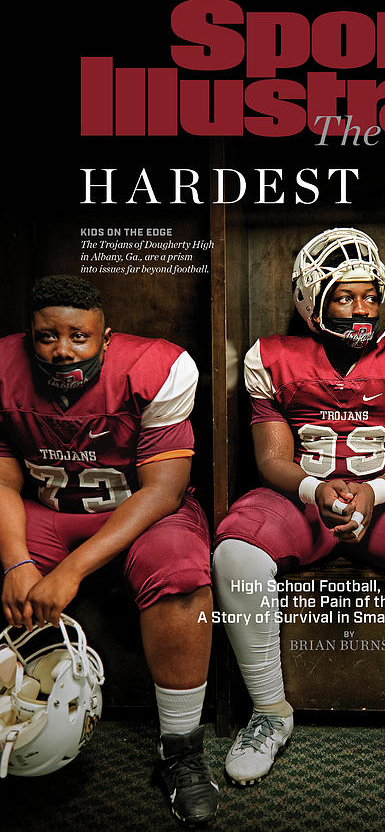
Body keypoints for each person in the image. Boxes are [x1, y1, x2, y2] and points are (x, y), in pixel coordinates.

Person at [213, 227, 385, 793]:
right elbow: (271, 458)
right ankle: (269, 711)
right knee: (235, 552)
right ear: (312, 301)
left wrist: (373, 492)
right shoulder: (271, 356)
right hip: (302, 499)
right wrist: (316, 490)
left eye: (370, 296)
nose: (362, 309)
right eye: (344, 297)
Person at [0, 276, 218, 824]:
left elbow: (163, 491)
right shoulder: (3, 369)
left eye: (79, 335)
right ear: (28, 337)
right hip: (48, 507)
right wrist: (17, 562)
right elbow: (2, 480)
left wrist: (70, 571)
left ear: (106, 335)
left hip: (138, 511)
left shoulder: (155, 367)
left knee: (180, 570)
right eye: (47, 336)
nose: (63, 349)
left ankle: (181, 747)